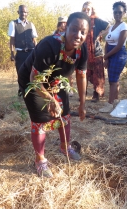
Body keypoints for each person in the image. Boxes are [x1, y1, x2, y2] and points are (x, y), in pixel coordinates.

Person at [18, 12, 90, 178]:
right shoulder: (50, 45)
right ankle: (40, 160)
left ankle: (65, 147)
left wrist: (82, 103)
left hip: (57, 81)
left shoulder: (82, 49)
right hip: (32, 81)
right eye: (74, 30)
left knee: (64, 115)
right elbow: (34, 79)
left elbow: (81, 75)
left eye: (83, 32)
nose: (78, 36)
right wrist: (49, 100)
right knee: (40, 120)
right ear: (66, 28)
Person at [99, 1, 127, 113]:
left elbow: (119, 45)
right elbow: (107, 43)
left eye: (120, 12)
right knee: (113, 79)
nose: (117, 14)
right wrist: (106, 58)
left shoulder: (124, 26)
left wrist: (106, 56)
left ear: (124, 13)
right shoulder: (111, 27)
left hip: (119, 54)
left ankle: (109, 104)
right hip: (110, 54)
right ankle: (115, 101)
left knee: (113, 80)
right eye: (115, 12)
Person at [82, 1, 110, 102]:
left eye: (88, 9)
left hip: (96, 53)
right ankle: (83, 93)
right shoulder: (81, 21)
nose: (86, 11)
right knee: (83, 73)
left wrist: (101, 34)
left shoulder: (96, 21)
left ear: (92, 10)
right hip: (84, 52)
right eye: (84, 9)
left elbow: (109, 27)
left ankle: (96, 94)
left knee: (97, 74)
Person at [8, 5, 38, 96]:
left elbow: (34, 40)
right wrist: (12, 53)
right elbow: (12, 40)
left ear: (27, 13)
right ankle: (21, 90)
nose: (23, 14)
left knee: (32, 71)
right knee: (20, 72)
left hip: (31, 52)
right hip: (20, 53)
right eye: (21, 12)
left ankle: (31, 90)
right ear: (18, 12)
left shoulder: (31, 24)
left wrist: (37, 51)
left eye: (25, 12)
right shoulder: (13, 24)